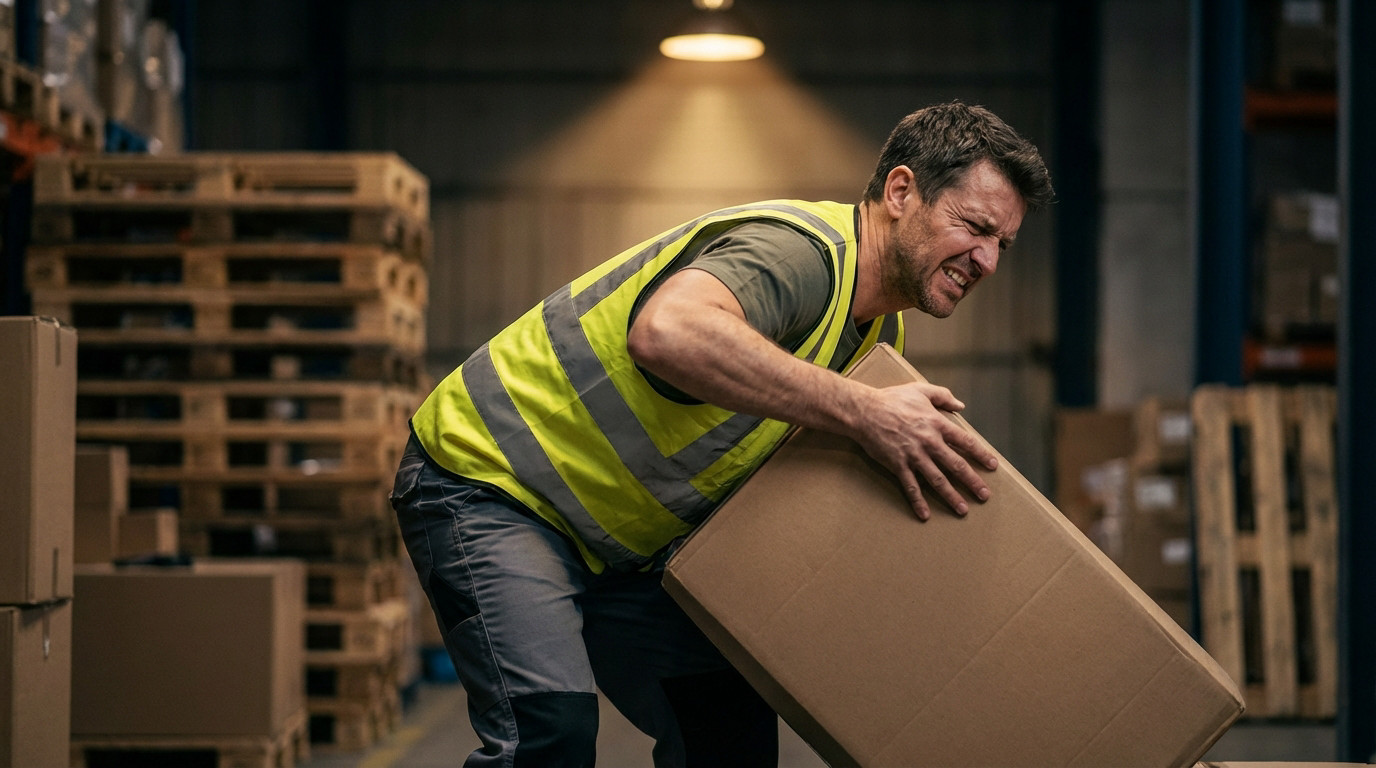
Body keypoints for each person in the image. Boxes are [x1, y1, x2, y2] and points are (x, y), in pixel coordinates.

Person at [391, 100, 1054, 767]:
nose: (989, 261)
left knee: (726, 732)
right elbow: (668, 332)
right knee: (548, 737)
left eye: (1003, 243)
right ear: (901, 191)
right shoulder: (803, 254)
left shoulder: (878, 333)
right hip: (493, 486)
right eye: (975, 227)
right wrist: (864, 410)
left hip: (622, 551)